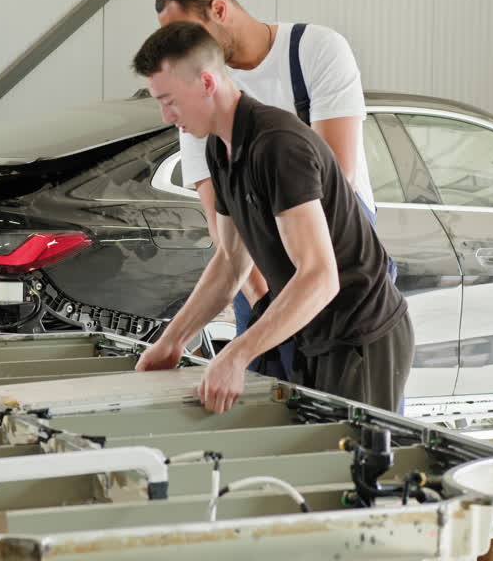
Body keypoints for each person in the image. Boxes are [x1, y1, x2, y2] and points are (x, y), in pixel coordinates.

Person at [131, 21, 412, 414]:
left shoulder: (278, 147)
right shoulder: (219, 148)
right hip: (310, 331)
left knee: (350, 467)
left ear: (207, 83)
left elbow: (319, 276)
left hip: (358, 335)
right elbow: (231, 262)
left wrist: (236, 355)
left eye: (170, 100)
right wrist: (173, 341)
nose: (165, 115)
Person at [154, 0, 384, 381]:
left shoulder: (315, 51)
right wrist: (266, 313)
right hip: (260, 276)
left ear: (219, 10)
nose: (178, 49)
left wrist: (289, 309)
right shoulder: (194, 101)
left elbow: (337, 181)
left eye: (185, 34)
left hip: (342, 268)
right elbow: (226, 236)